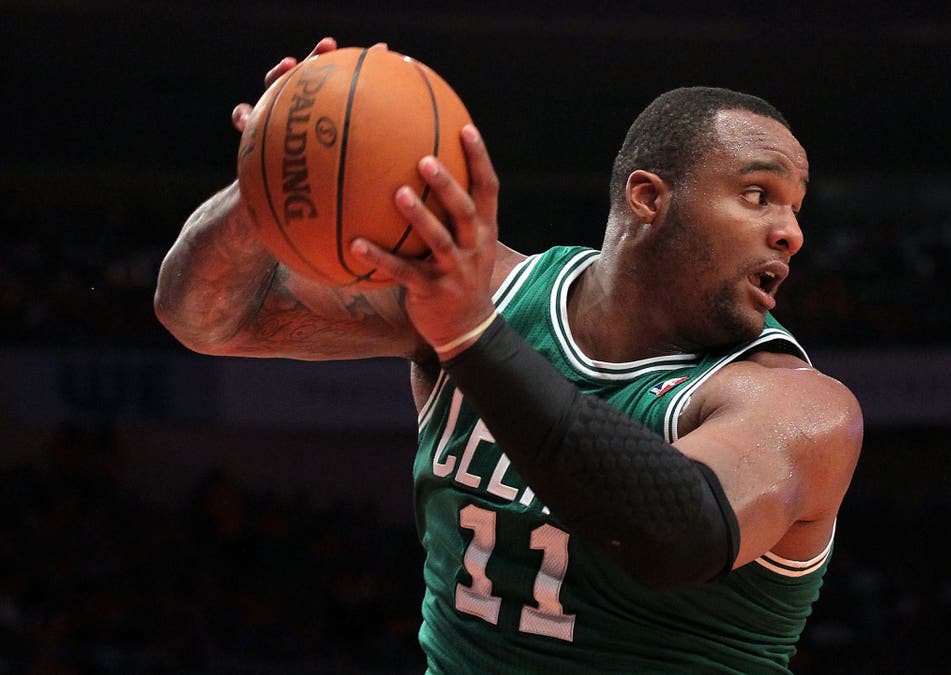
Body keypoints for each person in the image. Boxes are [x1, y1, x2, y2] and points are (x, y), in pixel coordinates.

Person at [156, 37, 862, 673]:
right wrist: (271, 182)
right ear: (649, 198)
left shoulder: (801, 410)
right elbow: (207, 317)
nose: (791, 233)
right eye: (759, 195)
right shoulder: (481, 290)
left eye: (795, 208)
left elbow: (678, 535)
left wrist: (471, 336)